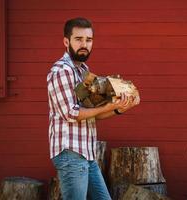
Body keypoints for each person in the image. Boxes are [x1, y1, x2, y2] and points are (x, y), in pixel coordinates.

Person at [47, 17, 139, 200]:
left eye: (88, 40)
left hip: (86, 154)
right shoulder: (61, 71)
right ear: (66, 42)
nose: (84, 44)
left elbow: (90, 114)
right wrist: (110, 105)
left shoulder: (83, 71)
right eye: (78, 39)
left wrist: (118, 108)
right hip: (71, 153)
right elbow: (72, 113)